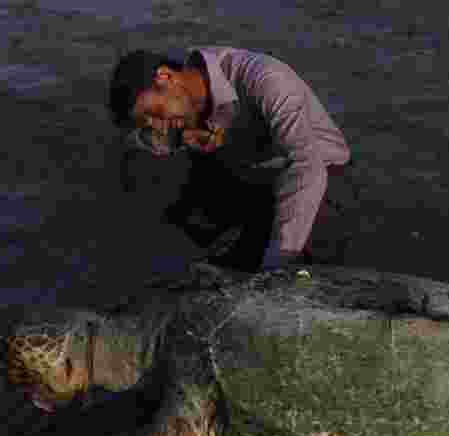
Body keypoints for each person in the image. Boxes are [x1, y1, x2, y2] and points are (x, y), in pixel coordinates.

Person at [107, 47, 355, 272]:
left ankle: (274, 258)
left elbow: (306, 167)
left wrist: (277, 262)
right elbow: (136, 146)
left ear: (166, 76)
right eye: (147, 124)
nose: (159, 127)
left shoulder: (267, 80)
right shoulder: (183, 89)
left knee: (300, 266)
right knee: (169, 201)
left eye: (154, 113)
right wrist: (178, 140)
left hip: (320, 173)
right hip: (249, 175)